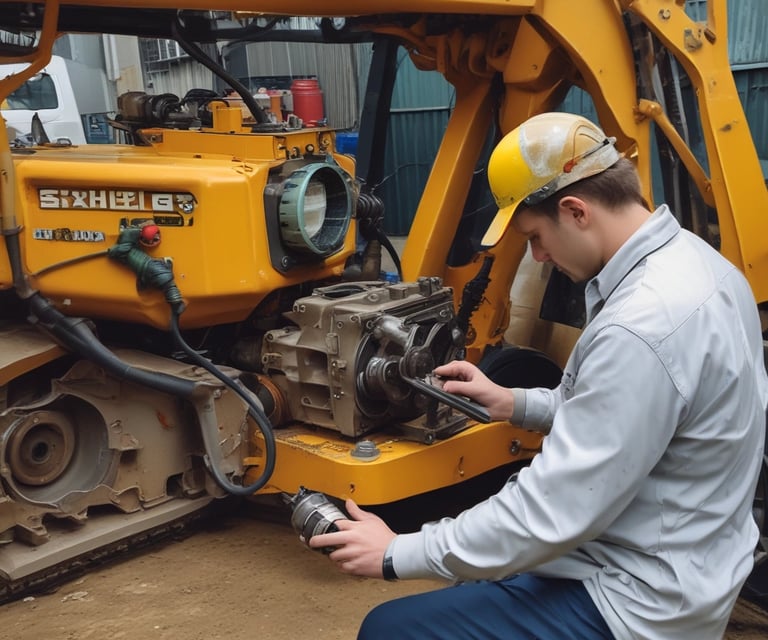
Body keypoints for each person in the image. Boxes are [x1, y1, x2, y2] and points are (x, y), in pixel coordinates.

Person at [308, 112, 768, 639]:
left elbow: (553, 512)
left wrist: (395, 552)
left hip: (636, 598)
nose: (538, 256)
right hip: (690, 555)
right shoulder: (704, 266)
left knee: (391, 629)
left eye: (535, 236)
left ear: (575, 210)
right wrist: (513, 402)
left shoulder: (643, 325)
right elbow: (642, 417)